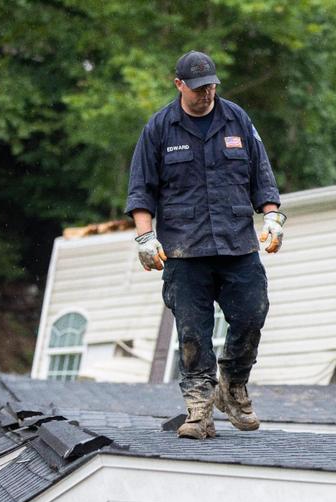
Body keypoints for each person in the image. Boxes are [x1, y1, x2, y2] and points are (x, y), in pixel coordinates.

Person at [125, 51, 285, 440]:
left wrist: (272, 216)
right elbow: (141, 190)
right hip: (184, 251)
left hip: (236, 244)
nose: (206, 93)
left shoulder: (236, 119)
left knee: (252, 314)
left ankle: (232, 384)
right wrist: (145, 237)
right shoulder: (160, 128)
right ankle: (198, 410)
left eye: (211, 85)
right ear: (178, 84)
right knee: (193, 333)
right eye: (198, 88)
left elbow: (261, 175)